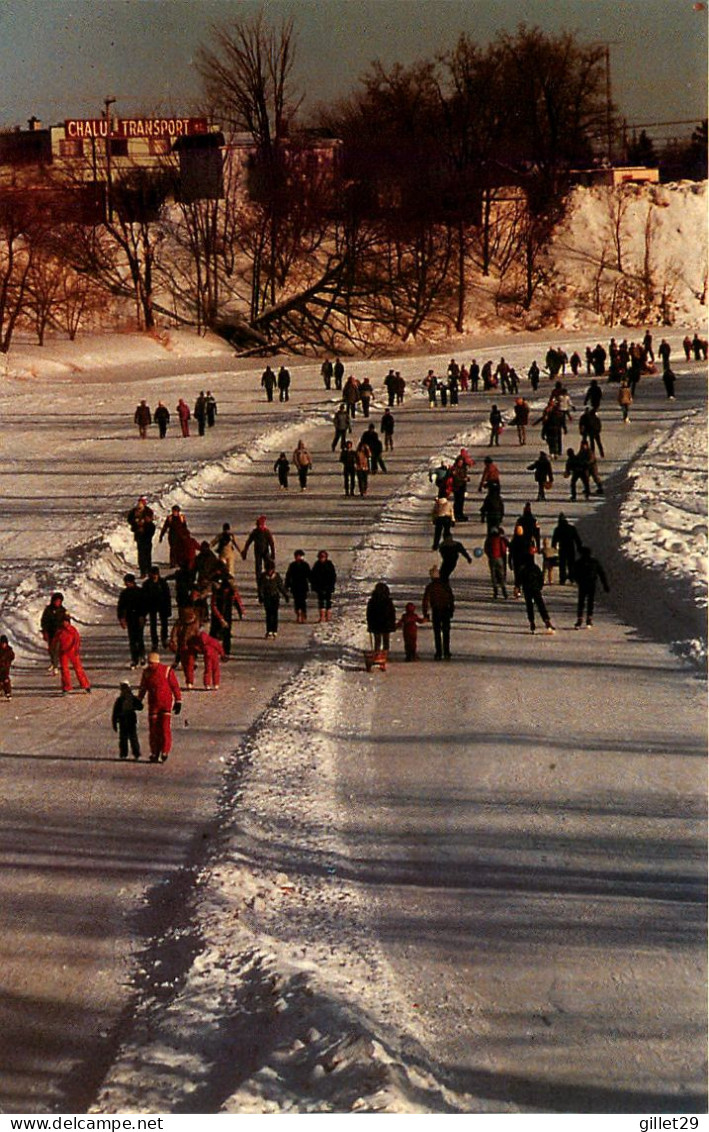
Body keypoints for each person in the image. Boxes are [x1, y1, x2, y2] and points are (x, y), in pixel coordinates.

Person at [137, 652, 182, 763]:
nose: (150, 665)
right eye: (149, 663)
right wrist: (138, 700)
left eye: (151, 663)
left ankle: (164, 751)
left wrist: (178, 700)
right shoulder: (146, 673)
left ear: (157, 662)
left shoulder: (167, 671)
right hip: (153, 705)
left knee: (164, 728)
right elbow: (143, 688)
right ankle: (155, 752)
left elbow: (175, 686)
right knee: (153, 729)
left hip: (165, 704)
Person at [518, 544, 555, 634]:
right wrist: (540, 586)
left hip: (527, 590)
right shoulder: (535, 568)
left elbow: (520, 579)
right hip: (535, 589)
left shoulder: (523, 569)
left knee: (529, 606)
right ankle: (547, 621)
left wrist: (518, 587)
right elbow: (540, 578)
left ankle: (532, 622)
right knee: (541, 605)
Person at [422, 566, 455, 661]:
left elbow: (426, 601)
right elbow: (451, 598)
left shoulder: (430, 587)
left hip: (436, 611)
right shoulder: (445, 585)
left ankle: (439, 652)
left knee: (437, 633)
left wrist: (425, 613)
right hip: (446, 610)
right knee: (446, 632)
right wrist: (451, 609)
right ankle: (447, 651)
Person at [574, 545, 610, 629]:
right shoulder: (594, 562)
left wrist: (577, 580)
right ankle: (589, 619)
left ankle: (580, 619)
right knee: (590, 601)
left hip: (583, 584)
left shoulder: (579, 562)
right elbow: (601, 574)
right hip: (591, 583)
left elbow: (574, 573)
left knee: (581, 602)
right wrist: (605, 585)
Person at [54, 614, 92, 693]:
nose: (64, 623)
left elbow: (77, 640)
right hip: (63, 653)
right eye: (63, 622)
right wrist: (55, 651)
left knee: (78, 669)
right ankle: (66, 687)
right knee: (64, 670)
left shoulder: (72, 630)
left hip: (73, 652)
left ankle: (86, 685)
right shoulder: (59, 631)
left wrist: (76, 649)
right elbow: (55, 642)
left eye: (66, 622)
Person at [117, 573, 147, 669]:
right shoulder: (124, 594)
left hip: (139, 618)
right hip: (130, 618)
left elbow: (145, 605)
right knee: (132, 640)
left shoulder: (140, 592)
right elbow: (121, 607)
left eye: (127, 582)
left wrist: (143, 615)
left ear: (132, 582)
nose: (126, 584)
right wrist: (122, 618)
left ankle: (142, 657)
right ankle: (134, 659)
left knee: (139, 639)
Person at [209, 575, 244, 655]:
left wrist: (240, 610)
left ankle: (226, 652)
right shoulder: (217, 593)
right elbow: (213, 606)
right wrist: (220, 619)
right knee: (213, 634)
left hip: (227, 614)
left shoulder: (230, 592)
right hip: (217, 616)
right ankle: (212, 650)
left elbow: (236, 600)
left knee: (226, 634)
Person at [168, 605, 201, 688]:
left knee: (189, 664)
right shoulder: (180, 623)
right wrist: (173, 641)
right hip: (182, 646)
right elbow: (174, 632)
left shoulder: (195, 623)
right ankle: (188, 678)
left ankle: (189, 681)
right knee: (185, 665)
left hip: (191, 647)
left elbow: (198, 635)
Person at [111, 680, 144, 760]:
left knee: (124, 738)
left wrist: (114, 723)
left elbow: (115, 713)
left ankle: (124, 754)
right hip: (130, 720)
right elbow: (140, 706)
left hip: (125, 721)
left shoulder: (120, 700)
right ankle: (135, 753)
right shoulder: (131, 698)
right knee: (132, 738)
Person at [142, 566, 172, 650]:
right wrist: (143, 612)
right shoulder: (146, 584)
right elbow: (143, 598)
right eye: (152, 574)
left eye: (156, 574)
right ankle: (154, 642)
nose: (154, 576)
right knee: (153, 625)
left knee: (164, 624)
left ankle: (164, 639)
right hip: (152, 606)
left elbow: (167, 597)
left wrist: (168, 609)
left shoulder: (163, 583)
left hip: (162, 605)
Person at [241, 515, 276, 586]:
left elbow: (271, 543)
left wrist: (273, 553)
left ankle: (269, 580)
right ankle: (259, 582)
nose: (259, 526)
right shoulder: (255, 532)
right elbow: (248, 542)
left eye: (260, 525)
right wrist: (245, 551)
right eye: (258, 525)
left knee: (268, 566)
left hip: (265, 552)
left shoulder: (267, 532)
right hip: (258, 553)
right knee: (258, 568)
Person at [127, 496, 156, 577]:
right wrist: (135, 522)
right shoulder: (134, 511)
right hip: (139, 535)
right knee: (141, 554)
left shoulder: (148, 511)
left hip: (147, 535)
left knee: (147, 554)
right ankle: (143, 571)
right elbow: (130, 519)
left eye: (141, 503)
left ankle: (149, 570)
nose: (140, 505)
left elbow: (150, 522)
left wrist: (146, 521)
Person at [259, 561, 289, 638]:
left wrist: (285, 595)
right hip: (267, 597)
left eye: (271, 569)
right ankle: (269, 630)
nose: (269, 571)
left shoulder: (277, 576)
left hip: (275, 597)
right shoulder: (263, 577)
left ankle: (274, 630)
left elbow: (281, 586)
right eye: (268, 569)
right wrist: (261, 597)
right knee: (268, 614)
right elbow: (261, 588)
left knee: (274, 614)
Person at [551, 512, 582, 585]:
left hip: (563, 548)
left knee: (562, 564)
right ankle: (572, 577)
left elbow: (554, 539)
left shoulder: (558, 529)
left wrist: (554, 546)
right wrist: (579, 546)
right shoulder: (571, 528)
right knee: (571, 563)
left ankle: (562, 579)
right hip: (571, 548)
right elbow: (577, 538)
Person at [366, 582, 396, 655]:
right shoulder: (388, 601)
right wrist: (392, 623)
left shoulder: (372, 601)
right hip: (386, 623)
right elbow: (392, 613)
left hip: (376, 624)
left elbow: (369, 614)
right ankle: (384, 655)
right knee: (385, 641)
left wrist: (370, 623)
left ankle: (377, 654)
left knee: (377, 641)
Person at [40, 591, 66, 673]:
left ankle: (55, 666)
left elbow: (67, 620)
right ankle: (53, 662)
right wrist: (44, 630)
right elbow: (44, 620)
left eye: (59, 601)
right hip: (50, 632)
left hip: (59, 633)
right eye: (56, 601)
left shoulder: (63, 610)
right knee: (51, 649)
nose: (57, 603)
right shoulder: (48, 610)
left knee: (56, 649)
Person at [284, 549, 312, 623]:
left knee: (303, 601)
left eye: (300, 556)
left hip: (303, 586)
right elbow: (288, 576)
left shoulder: (305, 565)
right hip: (295, 586)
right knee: (296, 602)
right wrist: (286, 586)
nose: (299, 557)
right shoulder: (292, 565)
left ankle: (303, 615)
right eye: (297, 556)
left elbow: (309, 576)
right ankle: (298, 615)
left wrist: (313, 584)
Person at [483, 526, 509, 600]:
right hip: (499, 558)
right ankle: (504, 592)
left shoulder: (489, 540)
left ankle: (495, 592)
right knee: (501, 575)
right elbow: (504, 549)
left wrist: (489, 555)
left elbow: (486, 549)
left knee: (493, 575)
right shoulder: (500, 539)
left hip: (492, 559)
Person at [311, 550, 337, 621]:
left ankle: (328, 616)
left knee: (328, 601)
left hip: (328, 586)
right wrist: (314, 586)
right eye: (321, 557)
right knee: (321, 601)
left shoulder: (329, 564)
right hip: (320, 587)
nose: (322, 558)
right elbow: (313, 576)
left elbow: (333, 576)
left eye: (323, 557)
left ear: (326, 557)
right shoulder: (317, 565)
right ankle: (322, 616)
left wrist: (332, 585)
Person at [0, 634, 15, 699]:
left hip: (6, 668)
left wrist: (8, 661)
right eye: (2, 643)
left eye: (4, 643)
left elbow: (12, 656)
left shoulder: (9, 650)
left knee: (6, 680)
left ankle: (8, 692)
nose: (3, 645)